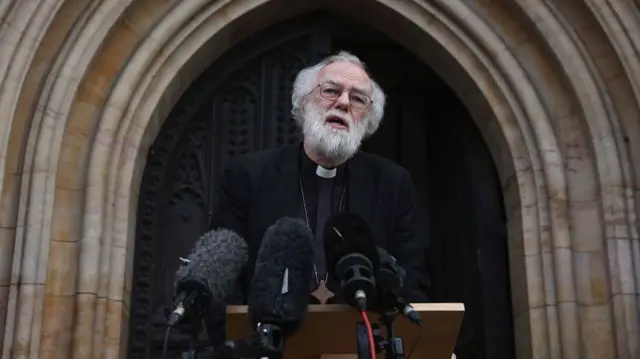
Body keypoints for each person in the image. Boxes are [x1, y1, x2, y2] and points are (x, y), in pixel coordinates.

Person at [210, 50, 430, 305]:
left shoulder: (393, 184)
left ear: (368, 119)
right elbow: (224, 277)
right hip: (268, 339)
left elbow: (412, 281)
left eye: (358, 99)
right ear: (303, 102)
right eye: (331, 91)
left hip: (365, 338)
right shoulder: (248, 176)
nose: (344, 103)